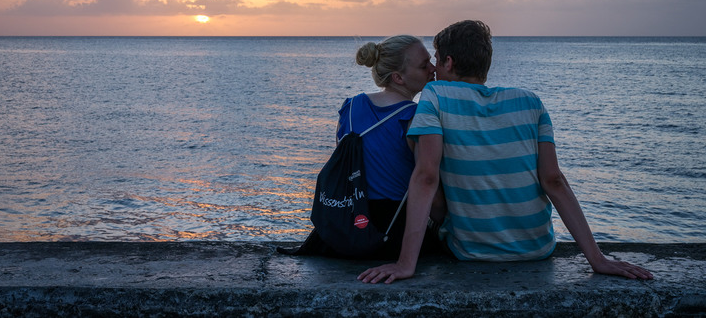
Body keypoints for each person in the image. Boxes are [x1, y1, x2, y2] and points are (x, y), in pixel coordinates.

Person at [358, 20, 653, 283]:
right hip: (537, 248)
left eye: (435, 60)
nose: (433, 69)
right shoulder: (530, 101)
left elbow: (425, 177)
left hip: (470, 251)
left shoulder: (436, 96)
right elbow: (554, 181)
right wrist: (597, 260)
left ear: (448, 61)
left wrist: (405, 264)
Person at [280, 34, 437, 259]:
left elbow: (350, 167)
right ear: (398, 78)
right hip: (390, 230)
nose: (433, 68)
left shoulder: (351, 107)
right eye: (424, 65)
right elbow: (426, 182)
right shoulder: (414, 118)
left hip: (346, 224)